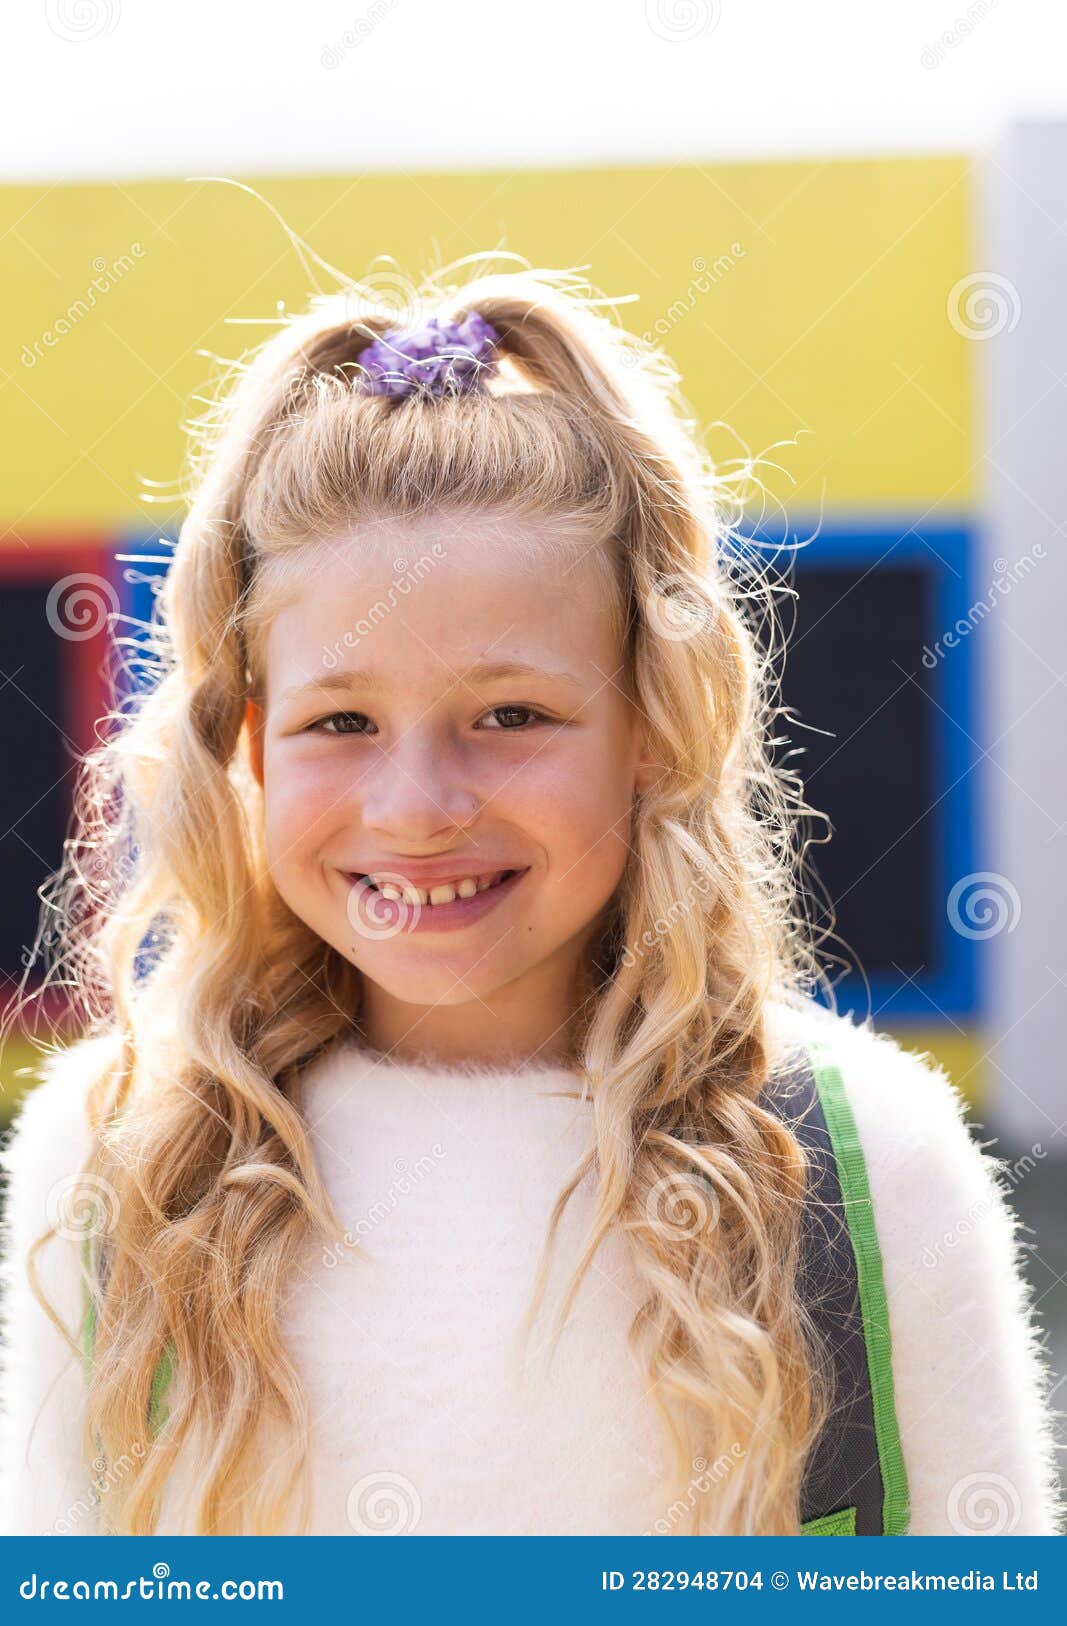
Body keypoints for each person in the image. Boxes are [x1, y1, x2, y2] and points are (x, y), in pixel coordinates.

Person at [0, 255, 1059, 1537]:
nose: (418, 803)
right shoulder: (115, 1169)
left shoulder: (853, 1168)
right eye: (341, 719)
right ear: (252, 749)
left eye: (511, 714)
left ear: (651, 728)